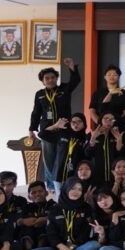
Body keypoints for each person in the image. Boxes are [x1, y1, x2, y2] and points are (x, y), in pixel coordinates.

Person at [28, 58, 80, 188]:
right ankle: (52, 186)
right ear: (42, 81)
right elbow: (36, 112)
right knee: (49, 159)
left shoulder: (64, 89)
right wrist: (31, 129)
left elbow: (76, 80)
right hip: (48, 131)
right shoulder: (39, 94)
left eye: (53, 77)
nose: (50, 80)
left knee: (63, 157)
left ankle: (64, 183)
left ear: (56, 78)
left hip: (64, 130)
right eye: (47, 78)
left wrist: (72, 67)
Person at [25, 178, 101, 250]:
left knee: (94, 246)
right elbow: (51, 233)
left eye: (79, 189)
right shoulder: (55, 209)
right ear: (66, 189)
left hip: (77, 247)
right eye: (73, 188)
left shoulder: (86, 208)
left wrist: (70, 248)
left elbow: (85, 232)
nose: (76, 192)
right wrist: (63, 248)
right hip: (58, 248)